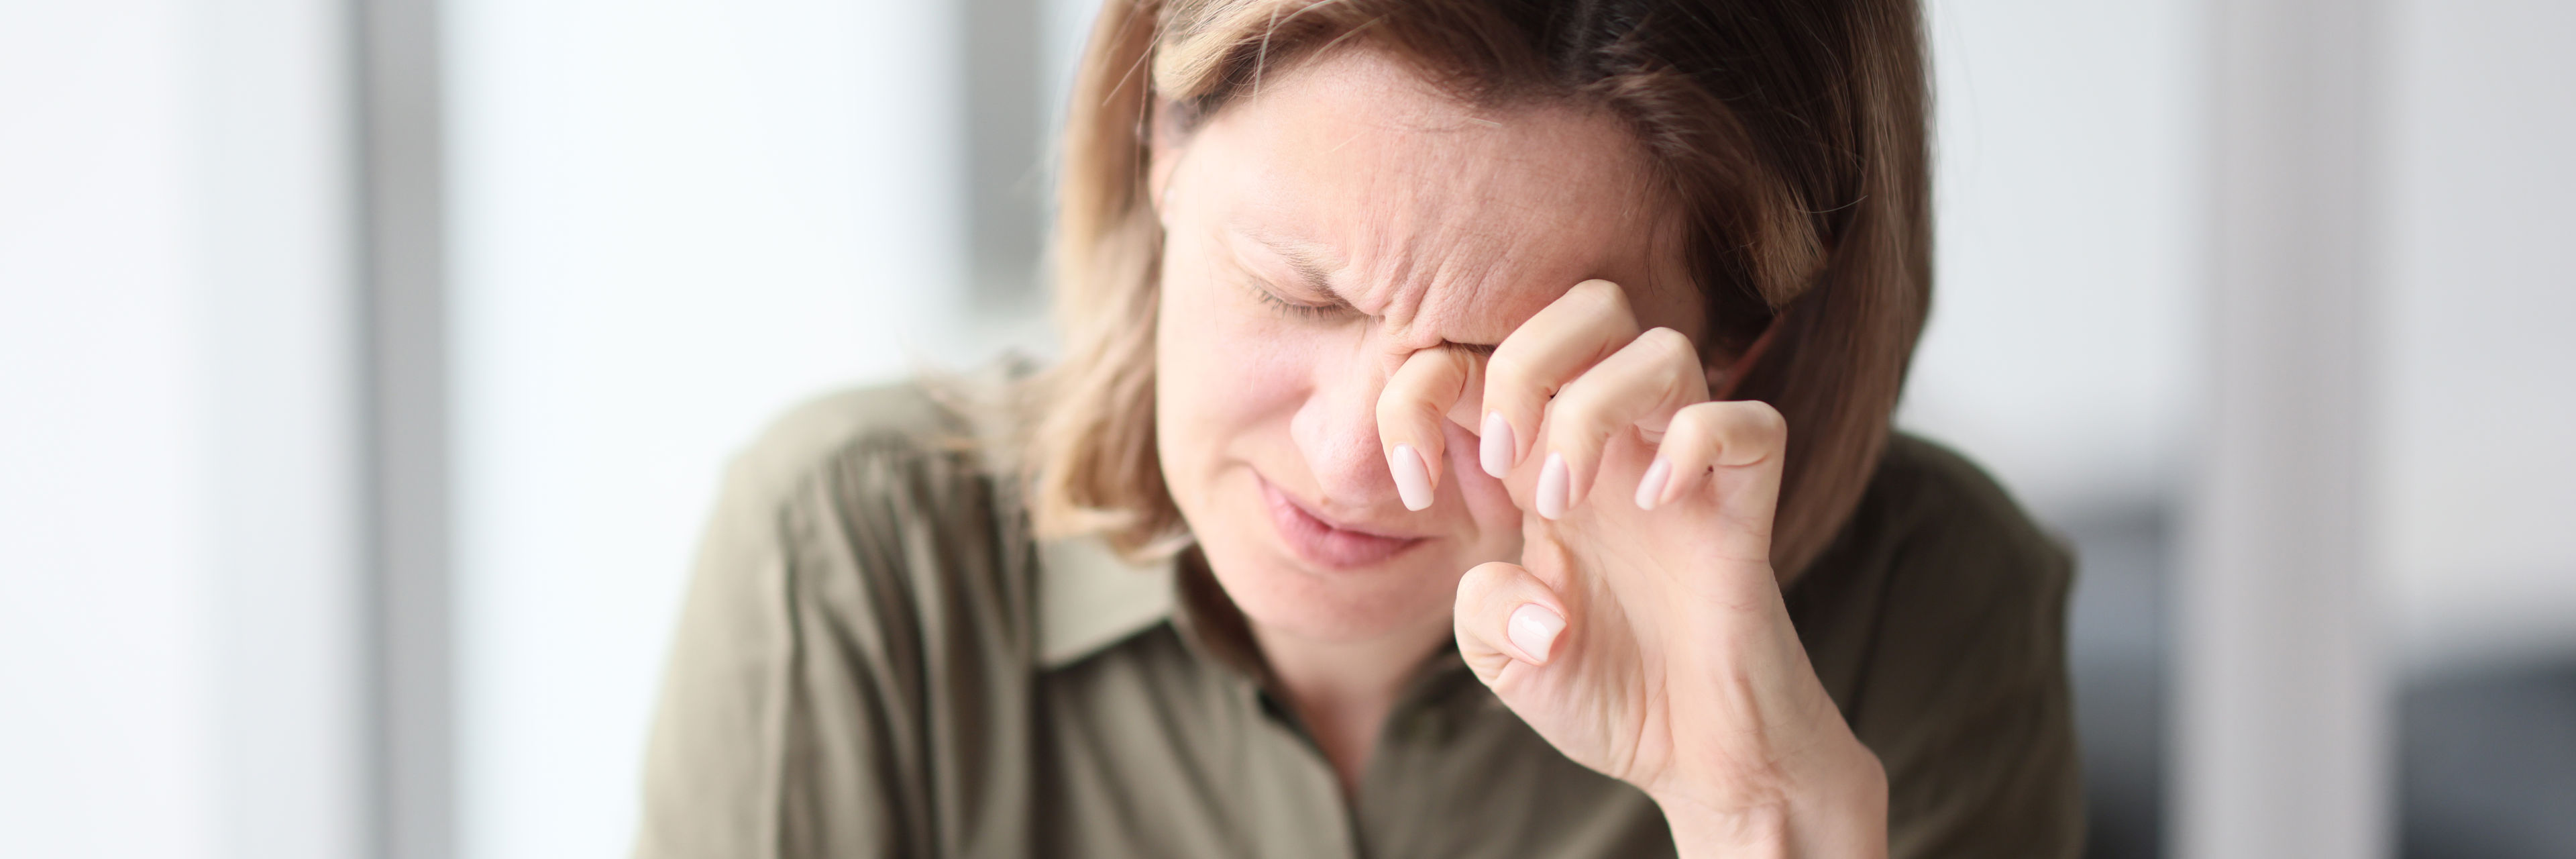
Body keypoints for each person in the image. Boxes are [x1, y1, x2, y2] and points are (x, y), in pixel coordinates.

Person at [634, 1, 2082, 856]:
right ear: (1158, 155)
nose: (1346, 455)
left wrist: (1760, 806)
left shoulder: (1917, 612)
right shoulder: (850, 569)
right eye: (1293, 293)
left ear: (1724, 350)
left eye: (1500, 366)